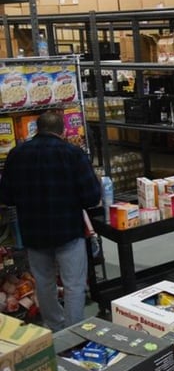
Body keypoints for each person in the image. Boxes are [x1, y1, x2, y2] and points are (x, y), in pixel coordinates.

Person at [0, 111, 101, 331]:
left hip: (33, 232)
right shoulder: (73, 154)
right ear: (62, 131)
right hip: (68, 230)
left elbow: (6, 196)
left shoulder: (17, 154)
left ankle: (55, 327)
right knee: (74, 284)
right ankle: (73, 331)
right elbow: (92, 197)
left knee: (44, 283)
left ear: (37, 129)